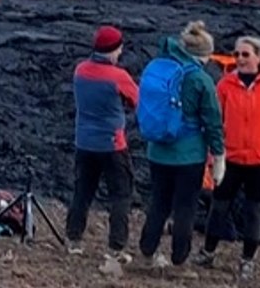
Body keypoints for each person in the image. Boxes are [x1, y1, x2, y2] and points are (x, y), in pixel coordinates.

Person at [194, 36, 260, 280]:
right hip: (231, 158)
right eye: (237, 54)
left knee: (254, 211)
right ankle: (208, 252)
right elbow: (214, 122)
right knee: (219, 207)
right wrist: (212, 155)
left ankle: (248, 259)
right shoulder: (226, 85)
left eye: (245, 54)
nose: (239, 58)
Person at [137, 20, 225, 270]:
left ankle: (146, 253)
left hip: (157, 151)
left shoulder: (160, 67)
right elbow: (213, 122)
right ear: (202, 54)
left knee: (158, 203)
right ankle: (179, 261)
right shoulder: (200, 80)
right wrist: (218, 157)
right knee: (185, 207)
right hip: (189, 155)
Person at [65, 25, 138, 266]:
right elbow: (137, 101)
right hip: (112, 145)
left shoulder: (80, 70)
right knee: (120, 195)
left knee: (82, 192)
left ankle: (73, 240)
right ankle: (115, 248)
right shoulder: (118, 76)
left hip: (84, 142)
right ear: (114, 49)